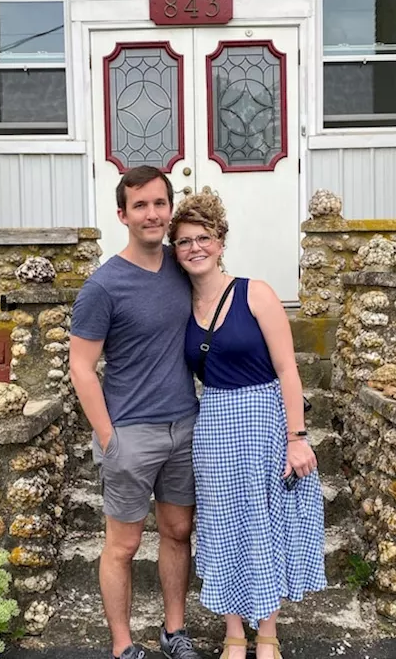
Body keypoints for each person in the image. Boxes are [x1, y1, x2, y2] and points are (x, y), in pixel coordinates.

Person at [168, 190, 326, 659]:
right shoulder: (183, 308)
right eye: (184, 241)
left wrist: (297, 438)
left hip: (263, 420)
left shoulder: (254, 292)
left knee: (264, 522)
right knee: (221, 527)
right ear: (175, 250)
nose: (195, 247)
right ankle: (234, 632)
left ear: (220, 242)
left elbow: (288, 370)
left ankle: (268, 634)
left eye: (204, 238)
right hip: (213, 423)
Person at [69, 165, 202, 659]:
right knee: (122, 546)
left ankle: (174, 631)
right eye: (140, 205)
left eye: (159, 204)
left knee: (177, 532)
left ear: (170, 210)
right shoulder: (103, 287)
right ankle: (123, 646)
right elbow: (82, 368)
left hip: (185, 426)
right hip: (130, 434)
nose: (152, 214)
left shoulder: (184, 266)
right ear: (123, 214)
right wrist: (108, 437)